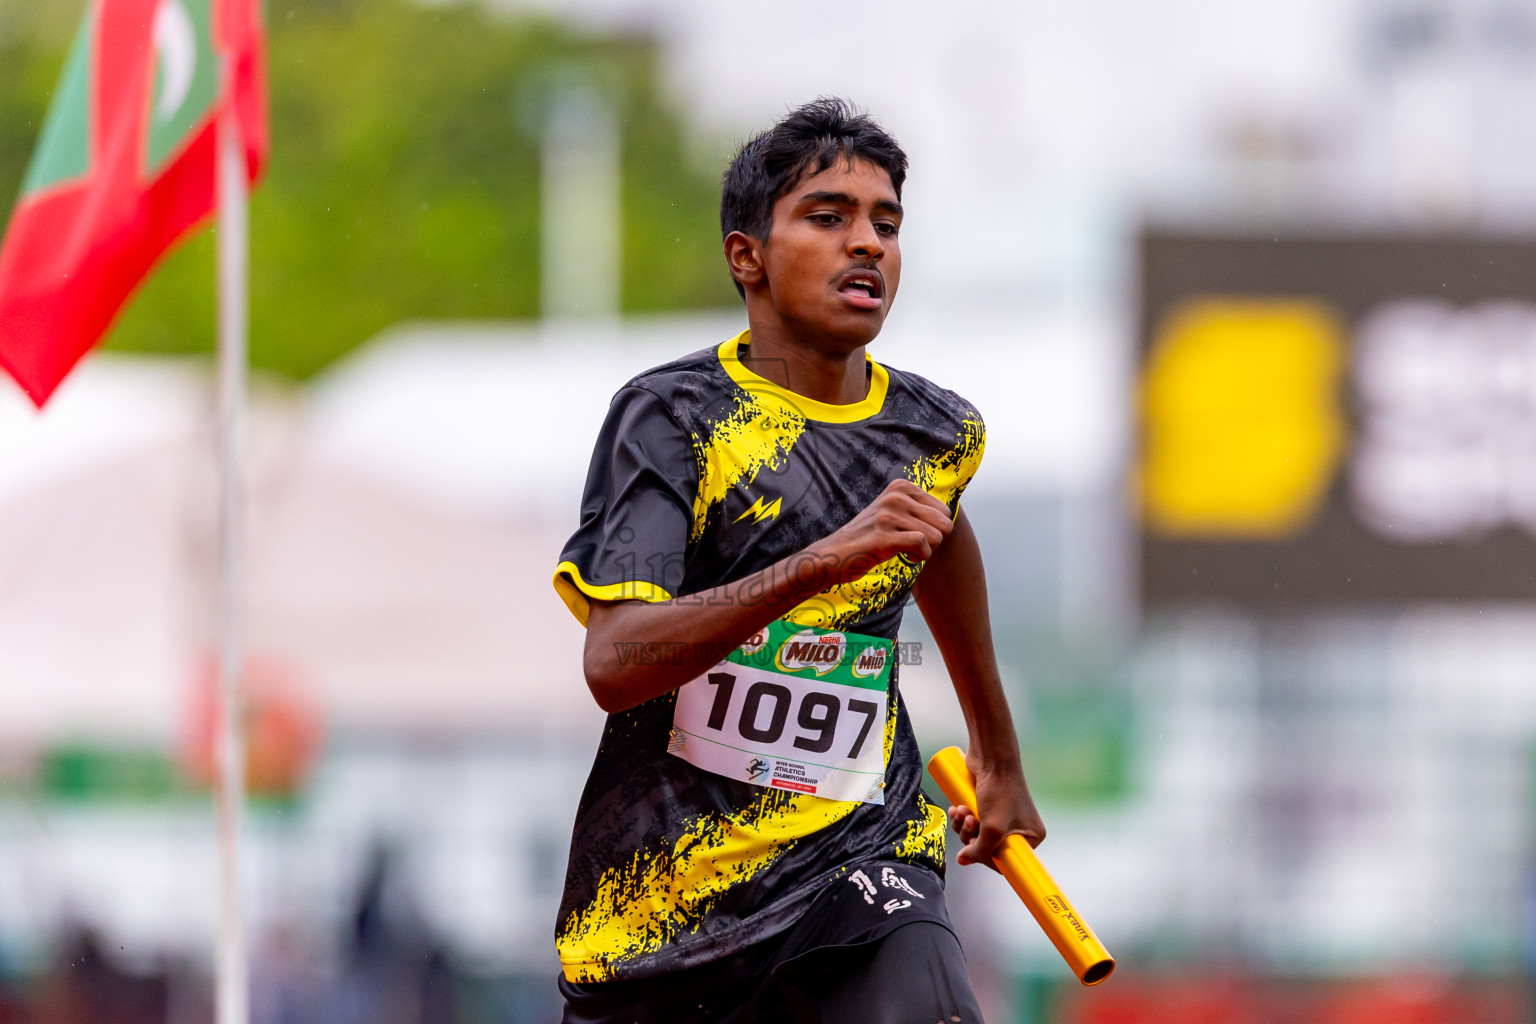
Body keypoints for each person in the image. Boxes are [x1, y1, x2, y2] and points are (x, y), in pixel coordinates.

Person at [550, 97, 1044, 1024]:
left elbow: (937, 537)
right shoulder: (673, 418)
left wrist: (997, 753)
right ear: (749, 256)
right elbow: (615, 665)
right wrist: (818, 565)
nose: (868, 244)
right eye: (829, 217)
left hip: (861, 857)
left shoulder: (938, 432)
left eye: (886, 224)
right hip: (668, 908)